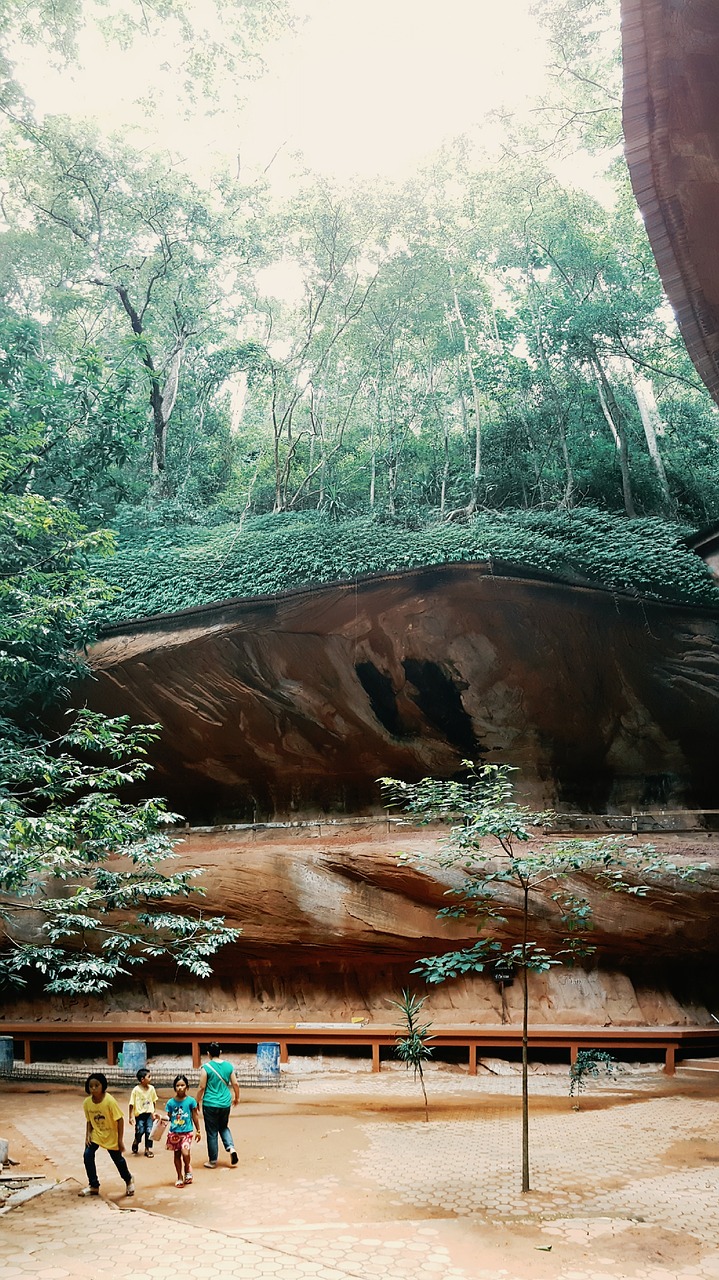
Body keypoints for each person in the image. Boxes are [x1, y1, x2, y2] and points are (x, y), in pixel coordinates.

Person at [79, 1072, 135, 1198]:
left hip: (111, 1134)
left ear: (103, 1086)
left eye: (96, 1085)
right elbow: (89, 1120)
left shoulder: (109, 1101)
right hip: (96, 1134)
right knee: (87, 1154)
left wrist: (120, 1140)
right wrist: (87, 1135)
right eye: (91, 1086)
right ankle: (93, 1185)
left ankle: (128, 1179)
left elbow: (120, 1119)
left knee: (117, 1159)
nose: (93, 1088)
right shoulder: (87, 1103)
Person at [196, 1042, 240, 1169]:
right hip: (225, 1102)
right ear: (220, 1052)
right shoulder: (228, 1066)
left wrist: (197, 1101)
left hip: (210, 1103)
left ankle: (213, 1160)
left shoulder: (206, 1068)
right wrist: (237, 1098)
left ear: (208, 1054)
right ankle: (231, 1148)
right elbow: (235, 1084)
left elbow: (202, 1087)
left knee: (212, 1132)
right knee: (224, 1127)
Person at [165, 1073, 200, 1188]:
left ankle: (187, 1167)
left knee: (185, 1153)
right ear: (174, 1087)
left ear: (187, 1087)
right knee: (176, 1155)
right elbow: (169, 1117)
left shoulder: (191, 1101)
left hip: (187, 1132)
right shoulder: (170, 1103)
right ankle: (179, 1176)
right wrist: (159, 1118)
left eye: (182, 1085)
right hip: (174, 1132)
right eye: (178, 1085)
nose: (180, 1088)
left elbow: (195, 1116)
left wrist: (198, 1130)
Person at [128, 1066, 159, 1157]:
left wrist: (153, 1112)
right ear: (142, 1079)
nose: (151, 1078)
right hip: (140, 1115)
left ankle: (147, 1149)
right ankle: (136, 1141)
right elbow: (131, 1104)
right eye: (148, 1076)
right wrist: (130, 1116)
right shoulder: (136, 1090)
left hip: (149, 1114)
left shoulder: (152, 1089)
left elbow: (154, 1101)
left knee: (149, 1131)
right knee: (140, 1130)